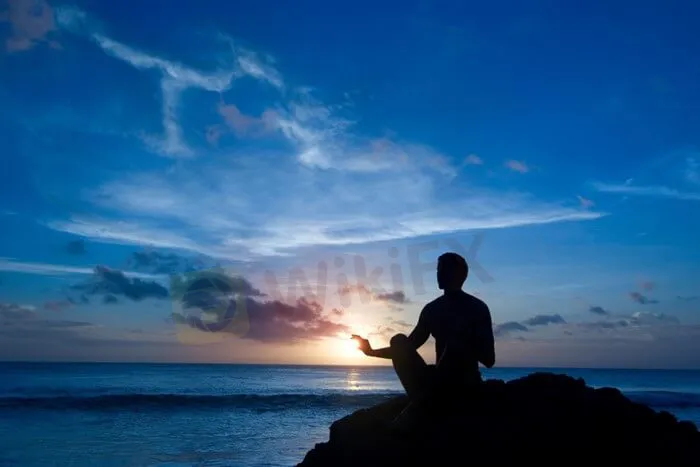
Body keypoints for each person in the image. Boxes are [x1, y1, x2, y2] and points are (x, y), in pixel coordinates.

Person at [352, 252, 495, 425]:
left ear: (459, 274)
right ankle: (424, 402)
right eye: (438, 270)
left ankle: (419, 408)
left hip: (463, 383)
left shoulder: (477, 308)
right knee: (399, 340)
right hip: (435, 382)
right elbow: (406, 348)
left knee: (454, 347)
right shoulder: (432, 309)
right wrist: (371, 352)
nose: (439, 274)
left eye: (444, 270)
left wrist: (463, 342)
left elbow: (489, 359)